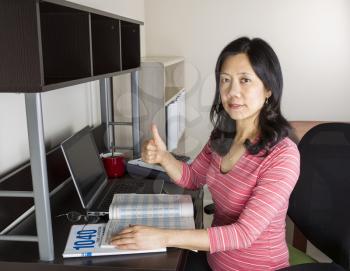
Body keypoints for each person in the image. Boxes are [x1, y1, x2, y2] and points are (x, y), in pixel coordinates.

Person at [110, 37, 300, 271]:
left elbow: (244, 234)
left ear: (268, 88)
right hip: (214, 262)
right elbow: (193, 178)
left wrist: (163, 237)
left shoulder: (283, 155)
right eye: (225, 80)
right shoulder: (222, 137)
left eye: (245, 80)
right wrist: (163, 157)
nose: (233, 92)